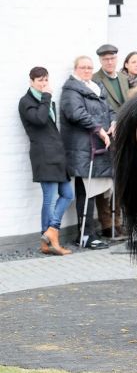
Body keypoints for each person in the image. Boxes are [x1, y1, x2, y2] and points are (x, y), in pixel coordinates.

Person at [60, 56, 114, 249]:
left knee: (94, 191)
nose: (87, 70)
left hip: (96, 147)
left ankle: (90, 232)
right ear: (75, 69)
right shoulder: (70, 90)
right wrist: (99, 129)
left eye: (90, 67)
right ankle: (84, 235)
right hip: (83, 148)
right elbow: (76, 113)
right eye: (83, 67)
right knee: (86, 192)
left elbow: (109, 110)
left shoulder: (96, 87)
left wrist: (114, 123)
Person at [18, 67, 73, 255]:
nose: (44, 84)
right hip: (44, 155)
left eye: (46, 80)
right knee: (50, 200)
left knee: (67, 194)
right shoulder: (26, 102)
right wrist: (46, 97)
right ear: (31, 81)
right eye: (40, 80)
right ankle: (49, 239)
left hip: (57, 155)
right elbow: (40, 120)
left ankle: (50, 231)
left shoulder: (44, 100)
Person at [93, 44, 128, 239]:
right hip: (106, 134)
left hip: (122, 134)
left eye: (112, 58)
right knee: (105, 180)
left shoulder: (122, 78)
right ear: (100, 60)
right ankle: (107, 224)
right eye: (105, 59)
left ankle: (118, 222)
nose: (109, 61)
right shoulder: (96, 79)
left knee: (120, 180)